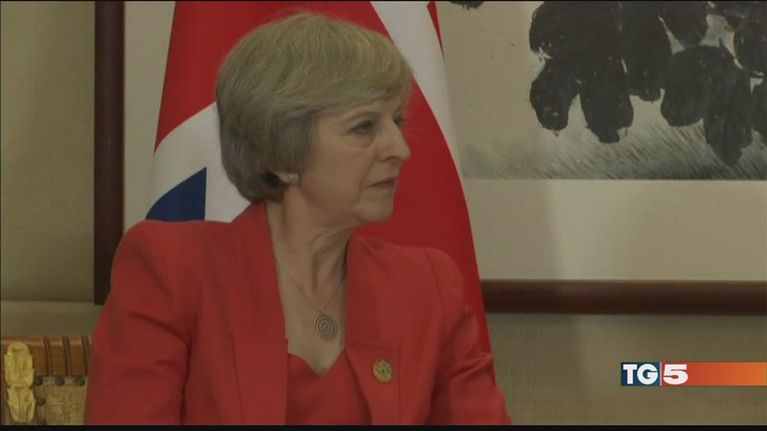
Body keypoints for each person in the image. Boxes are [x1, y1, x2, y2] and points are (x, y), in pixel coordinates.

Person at [84, 12, 510, 425]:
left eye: (396, 121)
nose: (400, 148)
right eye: (364, 127)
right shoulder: (171, 271)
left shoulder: (427, 287)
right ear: (282, 155)